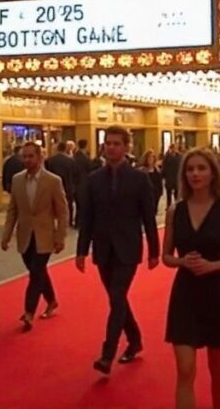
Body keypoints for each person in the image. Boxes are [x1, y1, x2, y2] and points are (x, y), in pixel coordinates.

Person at [162, 148, 220, 409]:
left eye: (201, 168)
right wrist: (181, 262)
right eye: (190, 169)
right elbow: (166, 256)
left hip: (218, 292)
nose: (195, 174)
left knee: (217, 367)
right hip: (185, 293)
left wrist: (214, 265)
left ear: (213, 174)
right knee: (185, 369)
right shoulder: (174, 211)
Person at [76, 125, 161, 375]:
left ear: (126, 147)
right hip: (102, 249)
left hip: (128, 247)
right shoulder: (93, 180)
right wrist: (81, 251)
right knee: (118, 298)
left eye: (116, 143)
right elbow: (87, 218)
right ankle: (134, 339)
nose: (111, 147)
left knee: (116, 296)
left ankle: (107, 354)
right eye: (108, 143)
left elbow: (148, 217)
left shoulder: (139, 178)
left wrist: (154, 251)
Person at [2, 142, 67, 331]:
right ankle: (52, 300)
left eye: (31, 156)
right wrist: (6, 235)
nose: (27, 160)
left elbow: (62, 212)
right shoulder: (17, 180)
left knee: (36, 272)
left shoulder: (53, 181)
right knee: (36, 271)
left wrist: (60, 237)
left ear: (40, 157)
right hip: (24, 235)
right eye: (25, 156)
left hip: (45, 235)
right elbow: (12, 210)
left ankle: (28, 312)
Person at [45, 141, 79, 228]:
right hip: (68, 186)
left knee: (52, 204)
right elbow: (74, 174)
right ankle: (69, 221)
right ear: (65, 149)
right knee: (68, 205)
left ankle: (52, 221)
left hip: (52, 187)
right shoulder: (71, 161)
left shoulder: (50, 160)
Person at [162, 143, 183, 209]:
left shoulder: (179, 156)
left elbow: (181, 166)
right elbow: (164, 166)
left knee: (177, 193)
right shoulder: (167, 156)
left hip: (176, 177)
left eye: (174, 148)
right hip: (169, 177)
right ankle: (168, 205)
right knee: (168, 194)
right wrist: (164, 175)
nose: (173, 149)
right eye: (172, 148)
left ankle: (177, 206)